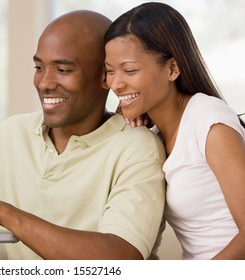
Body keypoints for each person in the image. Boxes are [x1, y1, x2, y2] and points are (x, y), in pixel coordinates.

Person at [0, 10, 166, 260]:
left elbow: (120, 257)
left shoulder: (137, 147)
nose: (44, 83)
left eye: (63, 70)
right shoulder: (13, 133)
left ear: (105, 78)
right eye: (39, 67)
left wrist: (3, 214)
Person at [104, 2, 245, 260]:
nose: (115, 84)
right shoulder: (155, 131)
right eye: (110, 71)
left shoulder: (209, 122)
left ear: (172, 68)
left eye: (130, 70)